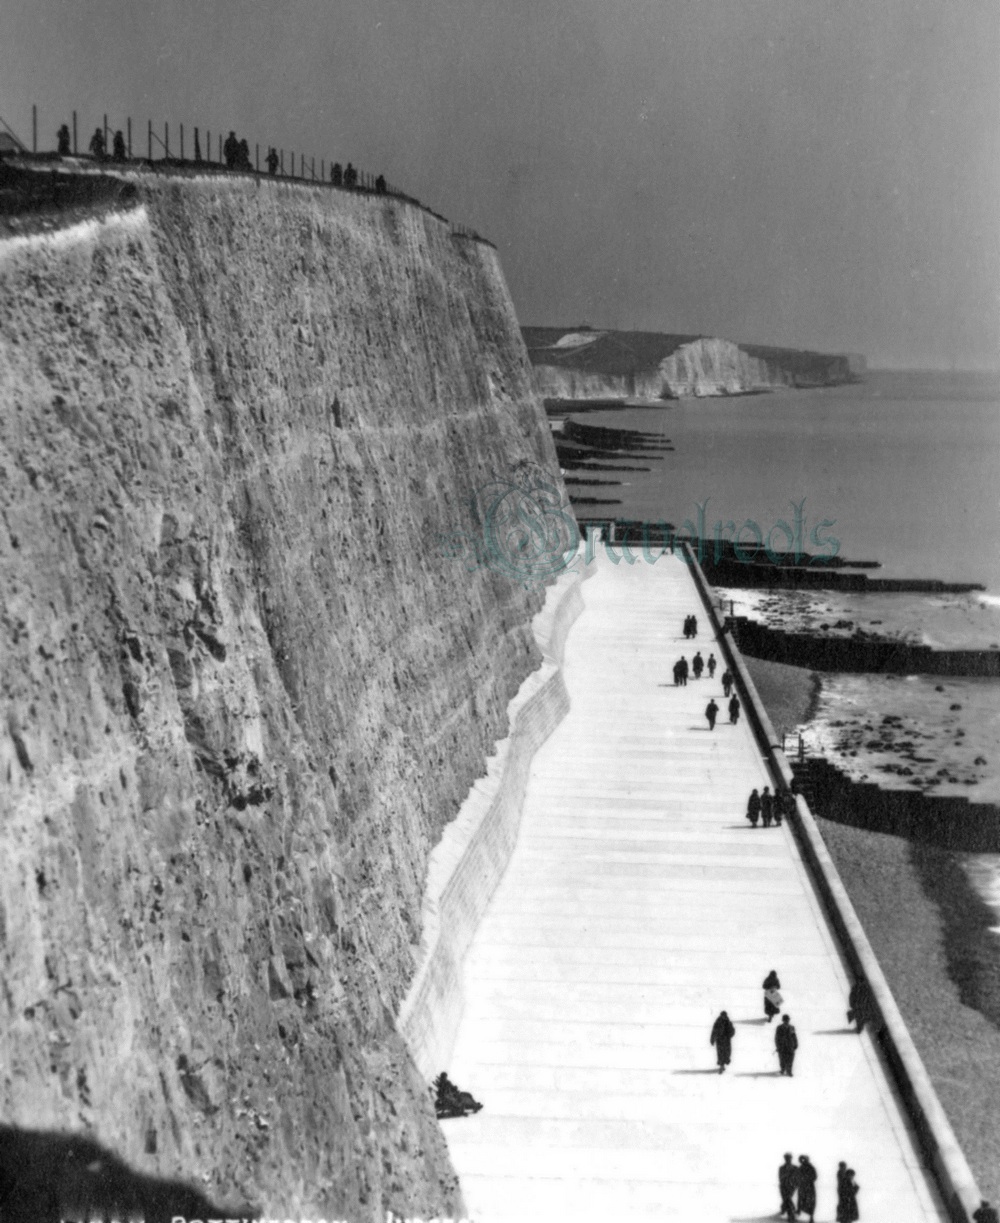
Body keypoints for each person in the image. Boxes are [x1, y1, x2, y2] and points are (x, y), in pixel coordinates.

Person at [778, 1153, 799, 1221]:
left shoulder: (795, 1168)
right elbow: (780, 1178)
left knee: (787, 1200)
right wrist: (787, 1174)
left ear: (791, 1158)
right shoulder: (781, 1168)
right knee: (787, 1200)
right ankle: (790, 1214)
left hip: (792, 1187)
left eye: (789, 1158)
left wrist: (796, 1185)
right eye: (786, 1158)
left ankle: (787, 1211)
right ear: (785, 1159)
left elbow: (797, 1177)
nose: (788, 1159)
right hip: (783, 1186)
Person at [796, 1156, 817, 1223]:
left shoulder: (810, 1167)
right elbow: (797, 1176)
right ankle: (799, 1211)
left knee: (810, 1202)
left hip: (809, 1187)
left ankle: (811, 1217)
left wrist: (807, 1179)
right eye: (802, 1160)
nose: (803, 1161)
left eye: (804, 1160)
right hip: (803, 1187)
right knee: (802, 1200)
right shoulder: (801, 1167)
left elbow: (814, 1176)